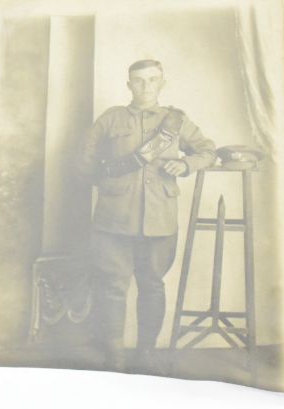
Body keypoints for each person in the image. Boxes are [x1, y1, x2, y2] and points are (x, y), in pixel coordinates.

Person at [77, 59, 216, 372]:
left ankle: (146, 356)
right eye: (138, 81)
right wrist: (109, 182)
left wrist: (186, 165)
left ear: (162, 84)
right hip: (114, 220)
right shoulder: (111, 119)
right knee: (113, 287)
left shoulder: (176, 121)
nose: (146, 86)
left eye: (152, 80)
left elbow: (207, 150)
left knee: (152, 285)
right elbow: (84, 162)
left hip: (159, 218)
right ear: (129, 85)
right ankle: (115, 359)